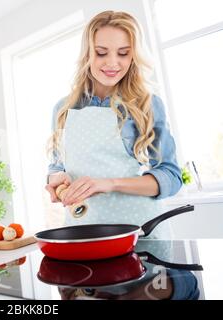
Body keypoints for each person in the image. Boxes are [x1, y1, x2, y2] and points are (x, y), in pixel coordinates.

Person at [45, 11, 182, 238]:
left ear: (133, 56)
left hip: (142, 234)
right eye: (101, 53)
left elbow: (171, 176)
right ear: (87, 54)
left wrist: (108, 183)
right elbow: (56, 165)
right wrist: (56, 179)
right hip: (83, 232)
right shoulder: (63, 109)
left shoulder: (147, 104)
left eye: (123, 53)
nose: (112, 63)